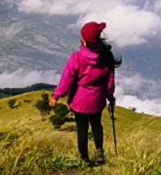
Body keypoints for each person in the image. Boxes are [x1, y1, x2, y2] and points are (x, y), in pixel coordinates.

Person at [49, 21, 121, 166]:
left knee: (82, 129)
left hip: (79, 101)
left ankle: (84, 159)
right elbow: (109, 81)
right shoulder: (106, 57)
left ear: (84, 40)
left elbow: (67, 79)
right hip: (97, 99)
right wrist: (110, 97)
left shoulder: (77, 57)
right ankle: (99, 151)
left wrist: (56, 96)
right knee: (96, 125)